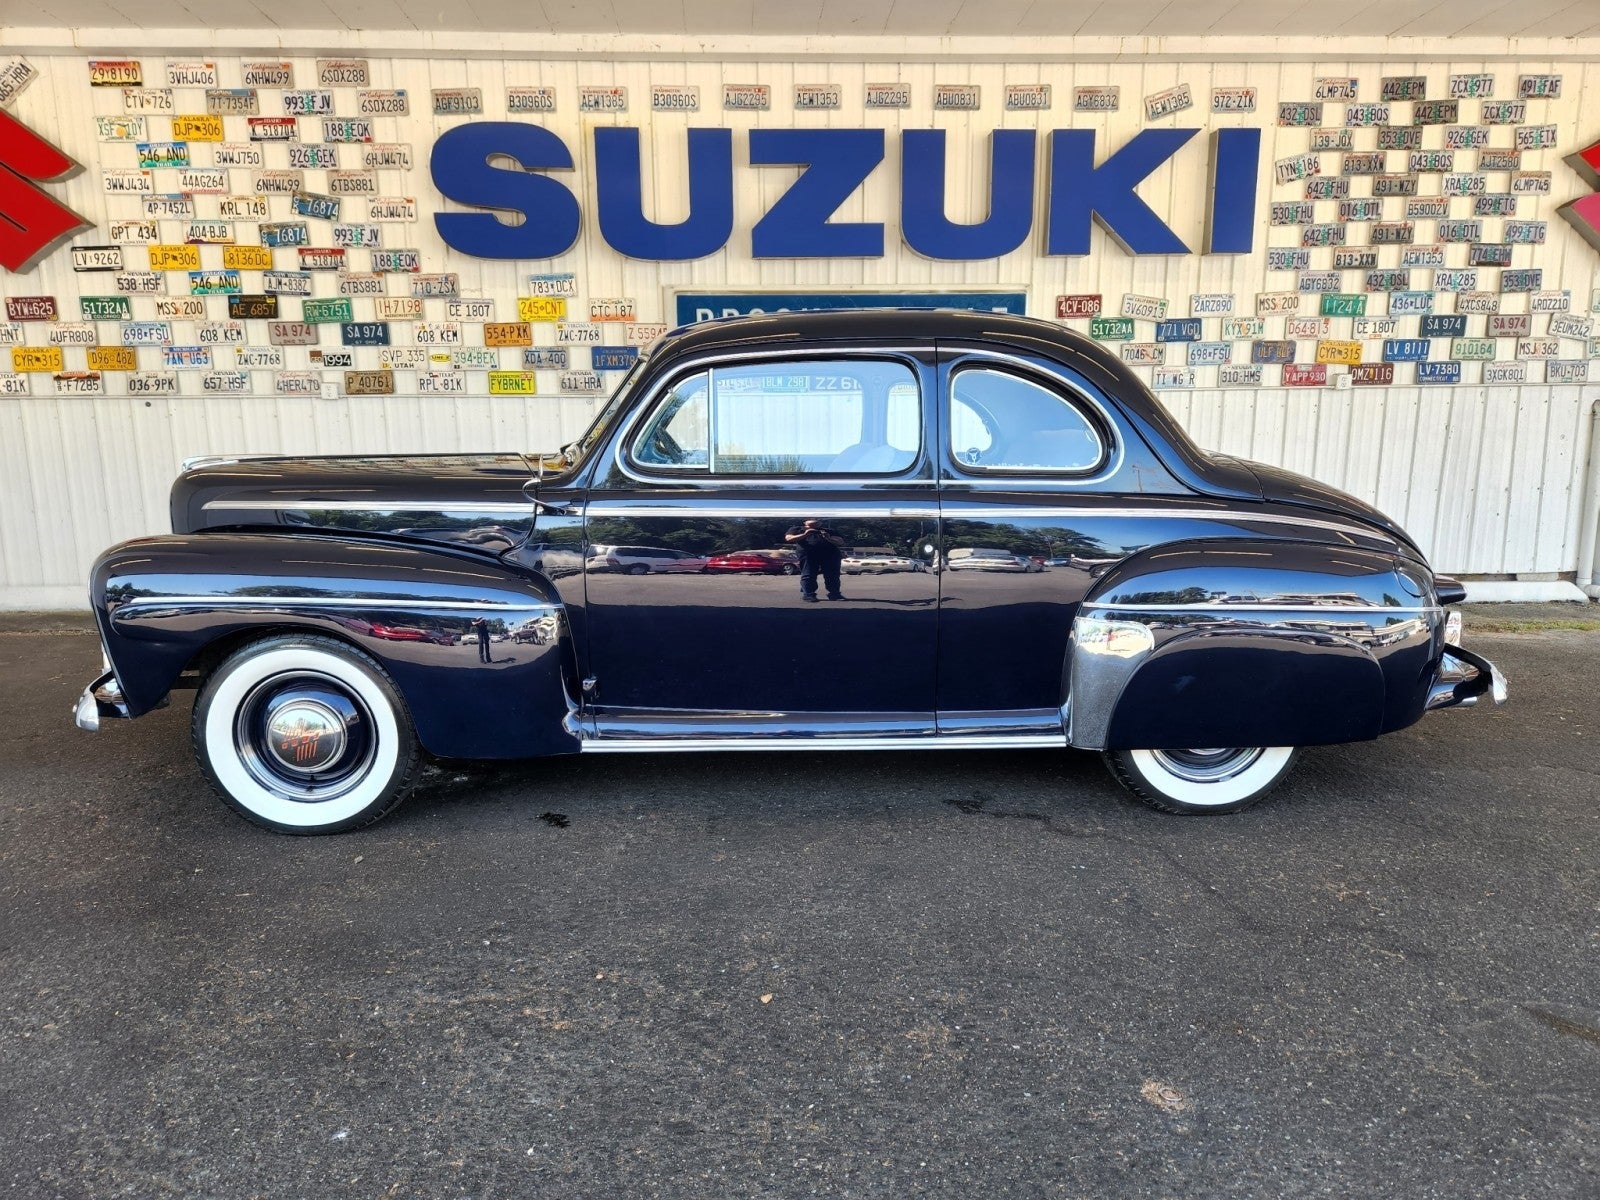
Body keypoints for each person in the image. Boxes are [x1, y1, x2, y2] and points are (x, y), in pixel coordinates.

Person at [784, 519, 845, 602]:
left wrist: (828, 537)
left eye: (817, 520)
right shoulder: (798, 529)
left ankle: (835, 594)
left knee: (832, 575)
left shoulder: (828, 531)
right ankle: (808, 594)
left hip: (830, 555)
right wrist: (805, 534)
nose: (814, 521)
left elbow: (840, 542)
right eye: (811, 519)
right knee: (808, 574)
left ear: (820, 523)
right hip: (809, 555)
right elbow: (789, 538)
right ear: (804, 522)